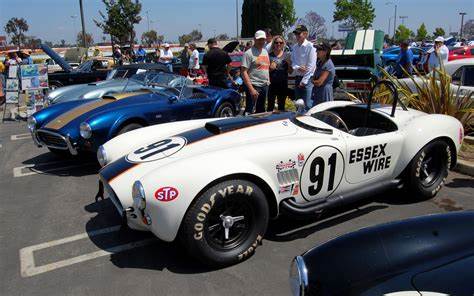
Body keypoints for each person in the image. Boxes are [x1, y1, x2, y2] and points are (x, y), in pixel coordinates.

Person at [241, 30, 270, 114]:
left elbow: (266, 67)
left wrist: (268, 80)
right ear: (254, 39)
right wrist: (251, 89)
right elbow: (244, 72)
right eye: (259, 39)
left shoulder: (265, 51)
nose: (261, 41)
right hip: (254, 86)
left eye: (263, 39)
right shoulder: (248, 53)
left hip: (264, 86)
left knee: (261, 111)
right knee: (249, 111)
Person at [291, 25, 317, 110]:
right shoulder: (294, 47)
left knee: (307, 104)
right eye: (296, 34)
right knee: (298, 104)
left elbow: (311, 66)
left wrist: (304, 81)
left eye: (299, 34)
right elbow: (293, 62)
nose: (297, 36)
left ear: (305, 34)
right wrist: (298, 67)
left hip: (308, 79)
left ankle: (309, 122)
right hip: (298, 77)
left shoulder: (311, 46)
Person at [268, 35, 291, 111]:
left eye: (281, 43)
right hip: (271, 84)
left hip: (283, 84)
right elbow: (264, 71)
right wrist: (270, 68)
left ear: (283, 44)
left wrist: (289, 64)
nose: (278, 44)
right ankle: (269, 122)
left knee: (281, 106)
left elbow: (290, 71)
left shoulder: (286, 55)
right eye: (276, 42)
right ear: (273, 44)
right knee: (270, 106)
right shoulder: (269, 55)